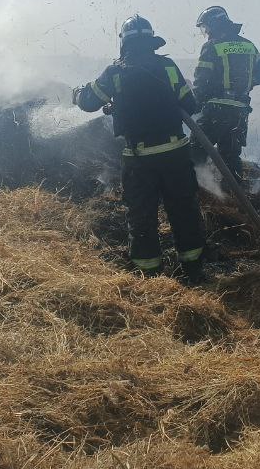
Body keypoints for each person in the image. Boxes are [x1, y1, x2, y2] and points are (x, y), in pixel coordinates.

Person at [74, 15, 206, 283]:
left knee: (142, 217)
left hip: (139, 159)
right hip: (175, 154)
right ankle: (193, 271)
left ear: (125, 43)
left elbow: (88, 102)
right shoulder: (168, 66)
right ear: (151, 41)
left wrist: (77, 93)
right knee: (184, 211)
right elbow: (190, 105)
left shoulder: (115, 72)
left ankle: (149, 276)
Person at [191, 6, 260, 179]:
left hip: (216, 110)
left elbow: (201, 81)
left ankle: (197, 192)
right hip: (240, 111)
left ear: (214, 25)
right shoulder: (248, 45)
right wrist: (248, 83)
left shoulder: (212, 46)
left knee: (197, 150)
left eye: (205, 27)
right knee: (230, 156)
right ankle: (234, 195)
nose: (205, 32)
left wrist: (193, 105)